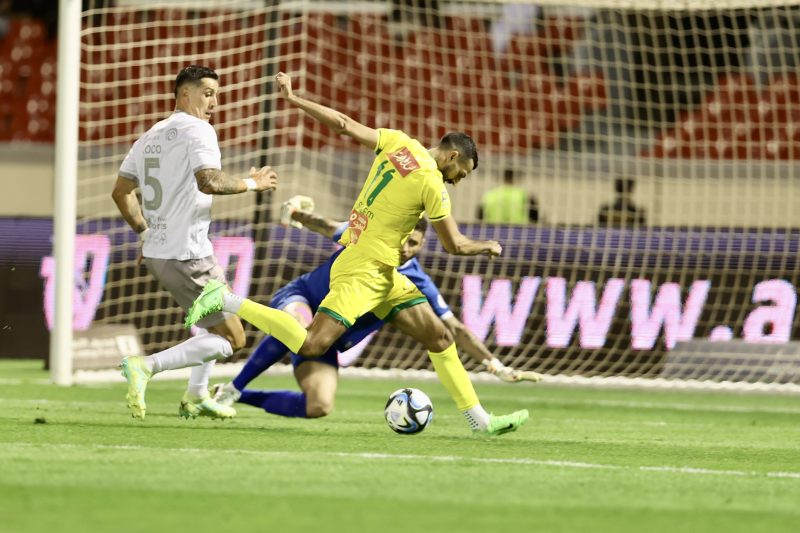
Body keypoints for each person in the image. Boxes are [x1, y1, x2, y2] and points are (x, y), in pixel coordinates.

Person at [187, 71, 530, 436]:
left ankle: (480, 421)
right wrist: (487, 245)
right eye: (462, 172)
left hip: (384, 274)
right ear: (452, 155)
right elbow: (454, 244)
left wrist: (295, 99)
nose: (459, 180)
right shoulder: (432, 183)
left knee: (440, 337)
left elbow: (343, 124)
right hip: (362, 271)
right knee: (311, 344)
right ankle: (225, 299)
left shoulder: (399, 142)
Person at [211, 200, 543, 418]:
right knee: (300, 326)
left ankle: (241, 396)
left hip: (330, 337)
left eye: (415, 244)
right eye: (405, 240)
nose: (407, 248)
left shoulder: (416, 281)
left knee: (319, 406)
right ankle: (232, 388)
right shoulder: (367, 240)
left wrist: (495, 366)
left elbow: (453, 329)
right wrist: (296, 214)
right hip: (303, 298)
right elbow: (326, 225)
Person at [111, 65, 278, 420]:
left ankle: (197, 395)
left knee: (210, 323)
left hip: (162, 252)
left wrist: (145, 233)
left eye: (216, 94)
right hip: (188, 255)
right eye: (208, 93)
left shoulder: (150, 135)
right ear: (185, 94)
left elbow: (121, 191)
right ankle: (146, 366)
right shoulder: (199, 130)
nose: (214, 102)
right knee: (233, 339)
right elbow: (209, 181)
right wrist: (253, 184)